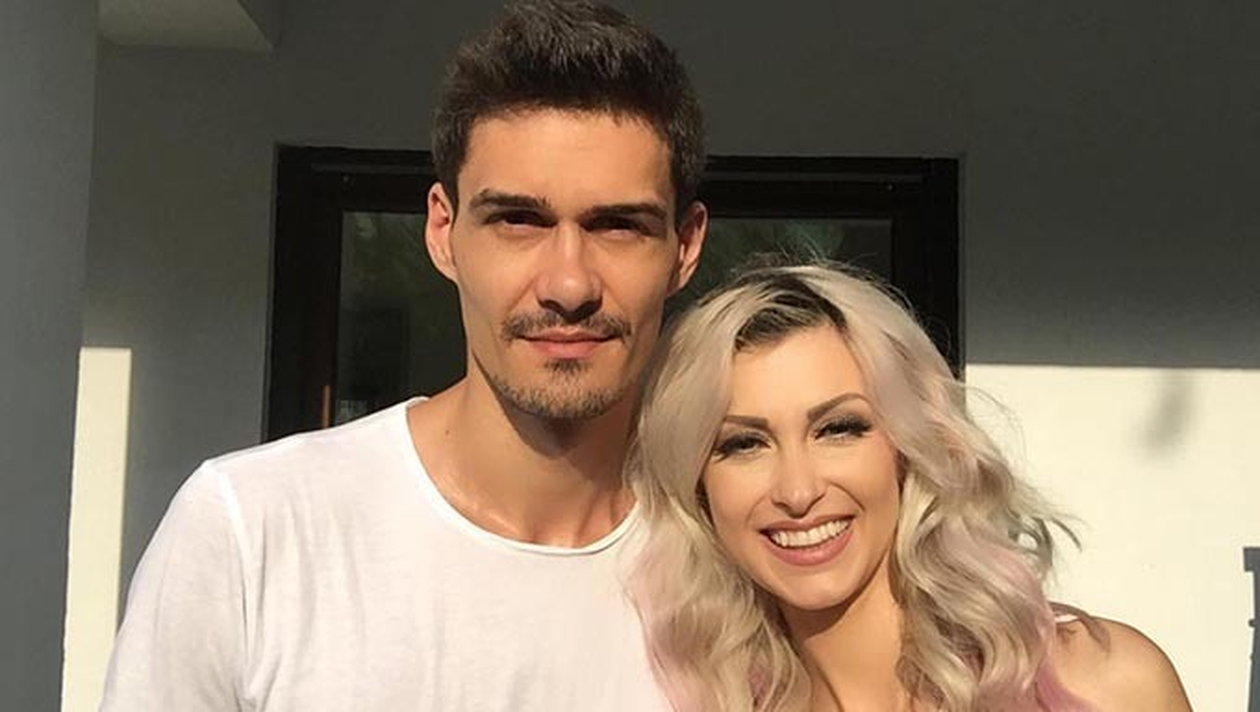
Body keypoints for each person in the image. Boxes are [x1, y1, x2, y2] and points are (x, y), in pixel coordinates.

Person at [100, 2, 707, 710]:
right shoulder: (253, 531)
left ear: (685, 246)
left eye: (619, 225)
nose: (569, 285)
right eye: (517, 220)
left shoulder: (736, 561)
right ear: (443, 231)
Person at [630, 263, 1192, 712]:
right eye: (744, 444)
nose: (797, 492)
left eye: (839, 429)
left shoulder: (1108, 683)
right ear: (698, 486)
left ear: (908, 448)